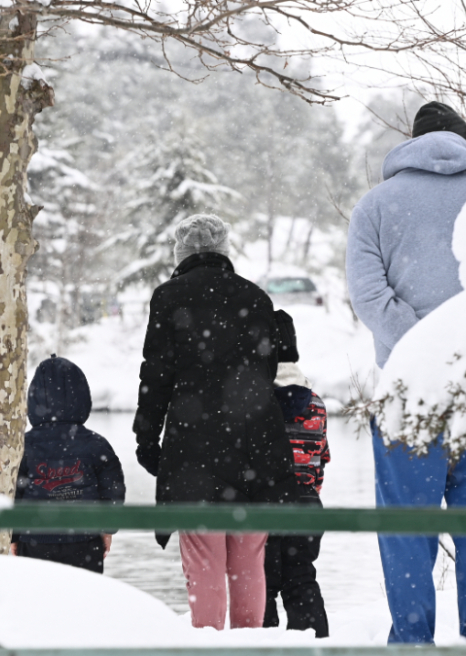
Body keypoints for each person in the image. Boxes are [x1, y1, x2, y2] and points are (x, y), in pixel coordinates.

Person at [346, 101, 466, 644]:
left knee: (406, 530)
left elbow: (369, 295)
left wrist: (422, 348)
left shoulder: (375, 206)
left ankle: (413, 645)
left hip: (406, 393)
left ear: (411, 143)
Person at [133, 213, 299, 631]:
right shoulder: (256, 297)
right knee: (248, 557)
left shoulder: (169, 298)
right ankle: (249, 643)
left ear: (181, 254)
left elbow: (156, 376)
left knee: (204, 555)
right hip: (255, 443)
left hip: (196, 446)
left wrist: (147, 441)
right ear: (224, 252)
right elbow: (268, 371)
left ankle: (207, 644)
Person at [12, 355, 126, 574]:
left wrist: (15, 535)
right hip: (85, 539)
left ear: (34, 400)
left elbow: (15, 493)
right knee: (84, 601)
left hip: (36, 539)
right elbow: (113, 490)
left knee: (38, 601)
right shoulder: (97, 444)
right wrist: (108, 529)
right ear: (82, 397)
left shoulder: (22, 446)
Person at [263, 310, 331, 637]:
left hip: (263, 504)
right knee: (301, 578)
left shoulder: (254, 399)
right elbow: (321, 459)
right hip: (306, 504)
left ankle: (263, 645)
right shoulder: (316, 403)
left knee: (260, 585)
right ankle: (315, 644)